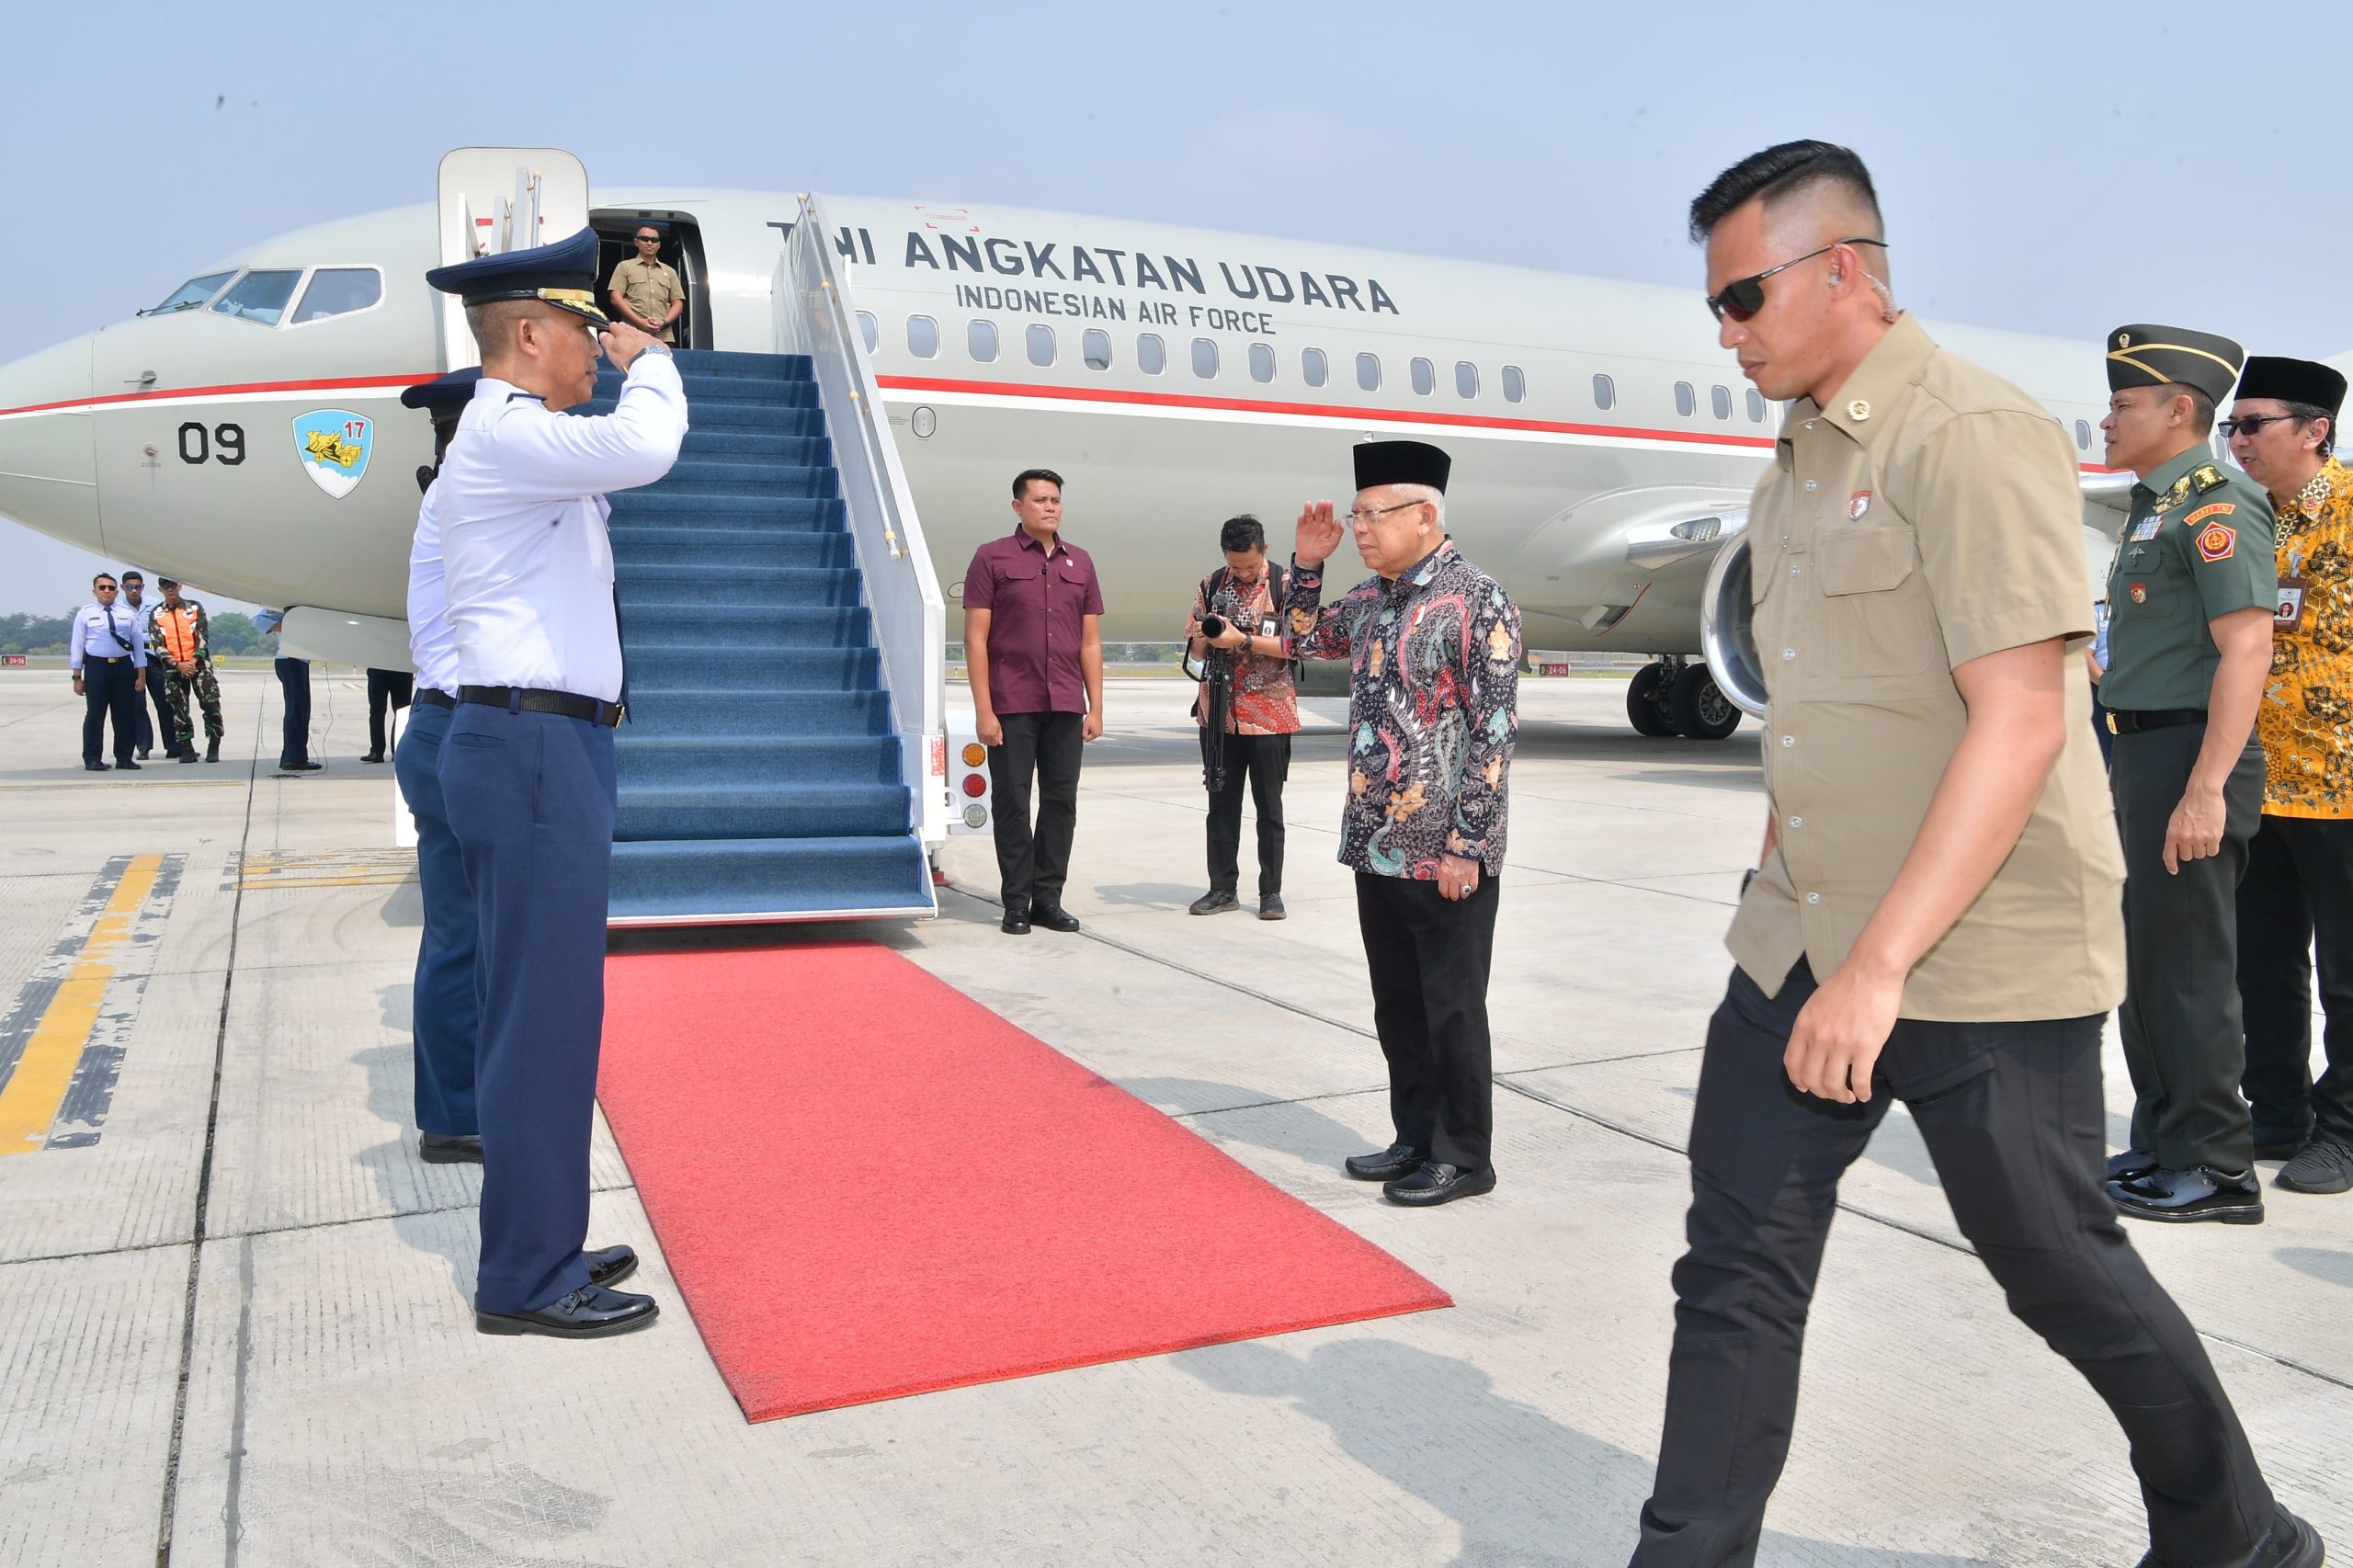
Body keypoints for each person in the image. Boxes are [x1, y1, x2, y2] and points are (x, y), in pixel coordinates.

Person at [1626, 141, 2322, 1568]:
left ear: (1842, 269)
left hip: (1975, 952)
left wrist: (1879, 969)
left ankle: (2235, 1531)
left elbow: (2018, 719)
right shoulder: (1794, 465)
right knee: (1735, 1269)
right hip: (1803, 939)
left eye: (1744, 296)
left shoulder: (1971, 432)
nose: (1726, 330)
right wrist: (1788, 903)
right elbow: (1812, 714)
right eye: (1715, 303)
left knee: (2057, 1266)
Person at [427, 225, 686, 1338]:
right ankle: (529, 1273)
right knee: (544, 1017)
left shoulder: (515, 438)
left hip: (543, 744)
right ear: (528, 334)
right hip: (532, 747)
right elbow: (649, 444)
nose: (596, 345)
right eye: (582, 328)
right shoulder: (507, 429)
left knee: (544, 1009)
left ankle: (545, 1235)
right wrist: (653, 359)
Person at [1287, 439, 1519, 1208]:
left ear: (1425, 515)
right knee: (1399, 1007)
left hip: (1443, 853)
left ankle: (1464, 1156)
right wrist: (1308, 565)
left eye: (1372, 514)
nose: (1359, 527)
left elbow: (1493, 731)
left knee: (1452, 1009)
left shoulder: (1476, 597)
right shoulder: (1373, 598)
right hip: (1375, 844)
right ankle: (1415, 1137)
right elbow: (1299, 640)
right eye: (1356, 515)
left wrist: (1469, 845)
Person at [2098, 324, 2279, 1224]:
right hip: (2143, 750)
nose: (2106, 420)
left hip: (2191, 754)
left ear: (2178, 409)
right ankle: (2164, 1142)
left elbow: (2247, 648)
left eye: (2123, 403)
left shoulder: (2218, 503)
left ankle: (2217, 1166)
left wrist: (2205, 789)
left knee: (2190, 969)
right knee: (2147, 963)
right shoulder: (2155, 507)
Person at [2226, 354, 2353, 1198]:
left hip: (2342, 783)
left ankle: (2343, 1132)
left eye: (2254, 424)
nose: (2237, 441)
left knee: (2347, 972)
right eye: (2231, 426)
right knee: (2263, 963)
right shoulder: (2247, 519)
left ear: (2315, 430)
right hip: (2256, 776)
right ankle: (2276, 1112)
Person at [396, 368, 485, 1166]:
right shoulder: (463, 497)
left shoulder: (453, 495)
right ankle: (456, 1113)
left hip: (445, 725)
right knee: (462, 937)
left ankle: (467, 1101)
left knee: (468, 935)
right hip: (456, 727)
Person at [962, 468, 1105, 935]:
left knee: (1061, 803)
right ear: (1018, 506)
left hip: (1065, 703)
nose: (1050, 507)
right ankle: (1016, 903)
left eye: (1056, 500)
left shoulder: (1080, 562)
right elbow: (975, 639)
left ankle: (1048, 900)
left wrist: (1096, 706)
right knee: (1012, 803)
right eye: (1041, 499)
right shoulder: (991, 557)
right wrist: (984, 710)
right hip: (1011, 703)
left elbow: (1090, 642)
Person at [1184, 514, 1301, 920]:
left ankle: (1271, 893)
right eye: (1235, 566)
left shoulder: (1286, 585)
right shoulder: (1211, 584)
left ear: (1264, 550)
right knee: (1220, 806)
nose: (1243, 573)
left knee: (1269, 808)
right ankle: (1222, 889)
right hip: (1218, 714)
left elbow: (1297, 645)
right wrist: (1204, 640)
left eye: (1250, 566)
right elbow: (1194, 657)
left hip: (1270, 714)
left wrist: (1244, 639)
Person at [68, 572, 145, 772]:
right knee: (95, 714)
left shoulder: (127, 614)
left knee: (125, 714)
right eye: (102, 587)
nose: (107, 591)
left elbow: (138, 646)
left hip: (123, 667)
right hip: (97, 667)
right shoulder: (85, 614)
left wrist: (141, 675)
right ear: (94, 591)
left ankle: (124, 757)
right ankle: (92, 758)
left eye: (111, 588)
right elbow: (77, 646)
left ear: (117, 592)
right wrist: (77, 677)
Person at [152, 578, 223, 763]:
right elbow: (157, 644)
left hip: (199, 664)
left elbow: (203, 636)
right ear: (160, 589)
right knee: (178, 708)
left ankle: (214, 744)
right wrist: (177, 664)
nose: (170, 589)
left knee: (210, 703)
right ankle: (186, 748)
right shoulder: (157, 613)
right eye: (166, 587)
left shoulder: (194, 607)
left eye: (173, 585)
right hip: (173, 668)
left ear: (180, 586)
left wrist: (192, 661)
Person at [119, 571, 172, 760]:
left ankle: (173, 745)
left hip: (154, 657)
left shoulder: (154, 604)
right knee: (137, 705)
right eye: (130, 587)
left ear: (143, 587)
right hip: (132, 660)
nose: (134, 590)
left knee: (165, 702)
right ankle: (143, 746)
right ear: (123, 588)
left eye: (138, 587)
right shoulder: (118, 608)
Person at [263, 614, 322, 773]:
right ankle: (294, 759)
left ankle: (290, 756)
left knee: (300, 711)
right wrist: (287, 628)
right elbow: (259, 620)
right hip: (290, 660)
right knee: (296, 711)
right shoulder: (283, 608)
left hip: (298, 660)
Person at [607, 226, 684, 345]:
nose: (649, 243)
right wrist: (639, 322)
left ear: (659, 245)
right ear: (636, 242)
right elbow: (615, 298)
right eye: (644, 239)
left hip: (663, 338)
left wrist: (664, 323)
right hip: (632, 334)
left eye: (654, 240)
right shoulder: (624, 266)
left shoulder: (670, 272)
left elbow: (678, 304)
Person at [364, 666, 414, 763]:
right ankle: (376, 751)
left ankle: (398, 749)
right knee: (376, 710)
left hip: (402, 670)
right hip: (377, 669)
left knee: (401, 712)